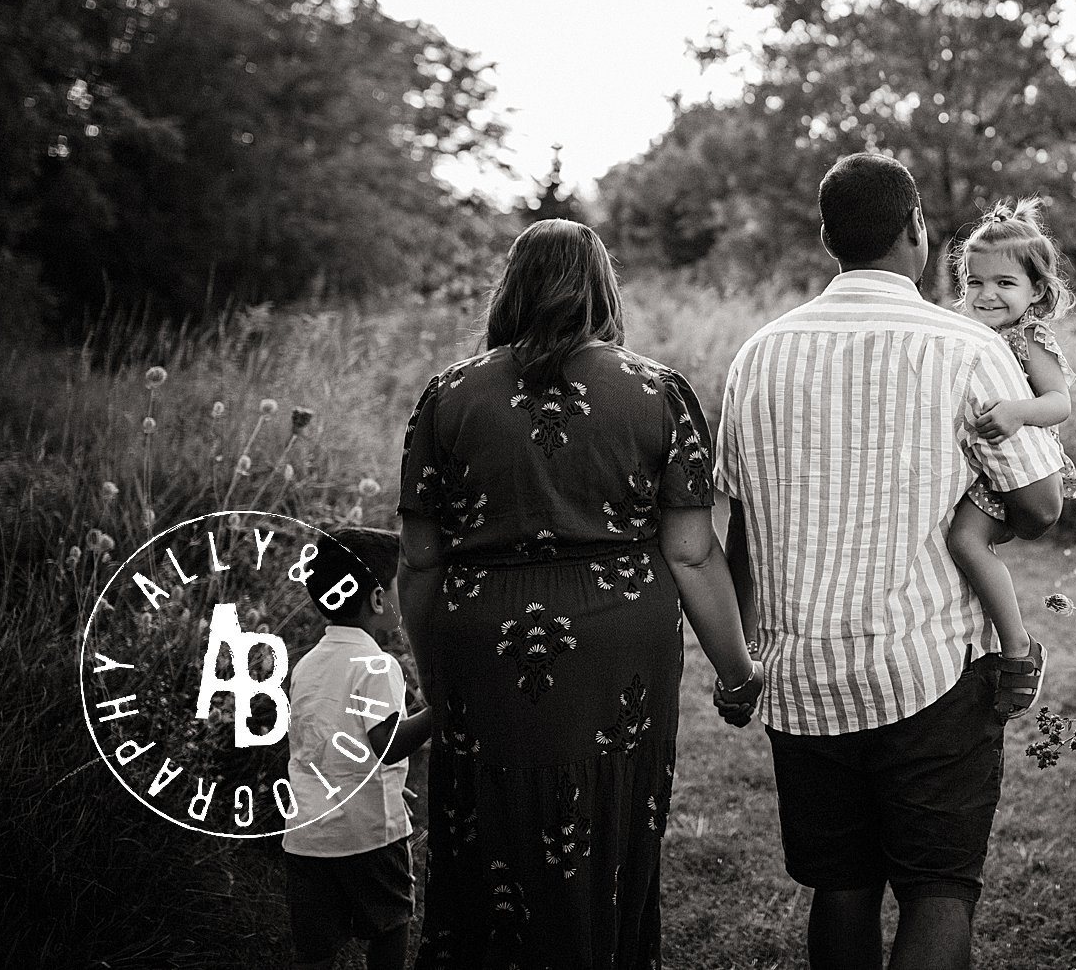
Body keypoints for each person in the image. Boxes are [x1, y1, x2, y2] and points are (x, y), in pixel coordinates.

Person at [714, 153, 1066, 970]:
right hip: (930, 667)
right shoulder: (968, 344)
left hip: (801, 674)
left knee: (841, 887)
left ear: (828, 236)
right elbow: (1043, 506)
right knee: (938, 886)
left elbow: (742, 528)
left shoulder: (756, 355)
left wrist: (741, 661)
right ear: (916, 229)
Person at [396, 219, 759, 970]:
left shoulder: (449, 394)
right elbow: (691, 552)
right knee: (609, 829)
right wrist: (737, 671)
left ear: (512, 288)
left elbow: (420, 561)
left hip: (483, 641)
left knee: (483, 832)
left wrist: (438, 684)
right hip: (617, 646)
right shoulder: (659, 391)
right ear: (602, 287)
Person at [945, 198, 1076, 720]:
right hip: (974, 460)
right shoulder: (963, 329)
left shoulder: (1028, 337)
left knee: (966, 541)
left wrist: (1017, 412)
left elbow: (1059, 403)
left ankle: (1019, 650)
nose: (987, 295)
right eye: (976, 282)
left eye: (1005, 283)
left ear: (1037, 291)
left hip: (1016, 464)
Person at [282, 526, 433, 970]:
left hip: (307, 838)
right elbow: (387, 745)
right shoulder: (378, 664)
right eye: (399, 584)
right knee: (389, 925)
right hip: (369, 837)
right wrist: (440, 711)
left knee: (314, 949)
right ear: (378, 600)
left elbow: (312, 745)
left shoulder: (308, 666)